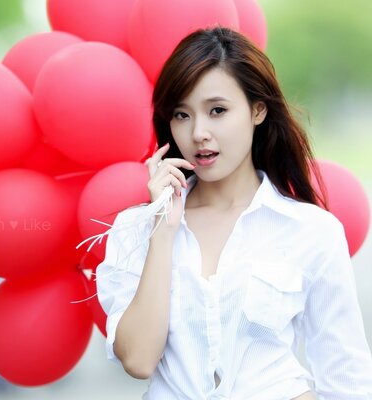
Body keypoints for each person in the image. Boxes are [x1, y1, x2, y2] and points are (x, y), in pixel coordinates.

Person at [92, 26, 372, 399]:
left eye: (218, 111)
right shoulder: (136, 230)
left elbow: (347, 379)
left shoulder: (311, 231)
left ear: (258, 110)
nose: (198, 133)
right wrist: (162, 229)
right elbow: (139, 360)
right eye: (181, 114)